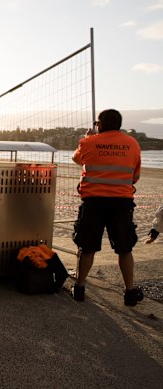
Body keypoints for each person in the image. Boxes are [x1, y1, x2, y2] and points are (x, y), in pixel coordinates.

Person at [71, 109, 143, 306]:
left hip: (93, 202)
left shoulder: (88, 142)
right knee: (124, 248)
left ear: (100, 124)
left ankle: (79, 288)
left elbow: (77, 159)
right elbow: (135, 176)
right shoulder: (133, 144)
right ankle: (129, 292)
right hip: (121, 203)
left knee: (87, 247)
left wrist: (88, 139)